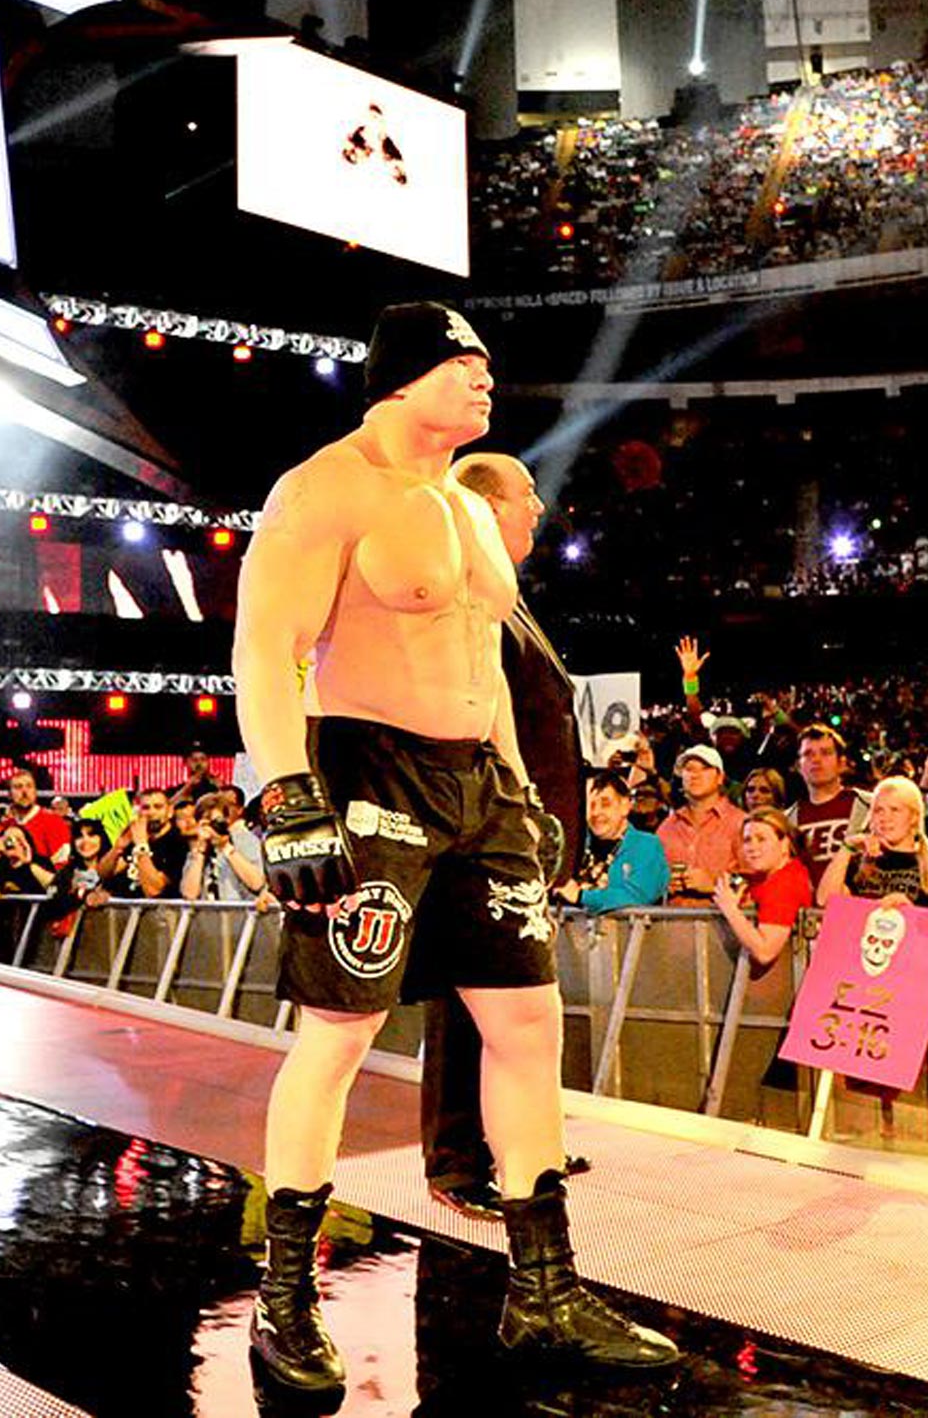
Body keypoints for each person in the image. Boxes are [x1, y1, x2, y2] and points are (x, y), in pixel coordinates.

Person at [233, 301, 677, 1395]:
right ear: (400, 379)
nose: (484, 381)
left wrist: (521, 795)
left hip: (477, 789)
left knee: (527, 1022)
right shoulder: (324, 489)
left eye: (484, 364)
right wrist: (285, 792)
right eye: (462, 364)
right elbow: (264, 645)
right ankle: (285, 1301)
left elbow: (484, 673)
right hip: (367, 771)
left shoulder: (472, 513)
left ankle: (544, 1294)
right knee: (337, 1033)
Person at [421, 452, 590, 1222]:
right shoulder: (470, 599)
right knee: (469, 1006)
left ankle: (522, 1148)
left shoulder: (508, 601)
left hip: (523, 838)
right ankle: (457, 1162)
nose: (537, 510)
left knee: (511, 1009)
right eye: (526, 497)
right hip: (485, 834)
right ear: (486, 507)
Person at [709, 808, 814, 971]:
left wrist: (730, 909)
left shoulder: (784, 883)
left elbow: (765, 952)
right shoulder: (767, 877)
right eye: (747, 840)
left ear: (784, 844)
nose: (752, 847)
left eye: (761, 839)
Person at [815, 776, 928, 910]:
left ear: (914, 817)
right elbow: (824, 902)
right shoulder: (857, 863)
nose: (885, 818)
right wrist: (847, 847)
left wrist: (909, 911)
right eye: (878, 810)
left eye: (895, 810)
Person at [556, 772, 670, 915]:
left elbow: (636, 897)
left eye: (605, 804)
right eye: (590, 805)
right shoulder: (571, 846)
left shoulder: (647, 846)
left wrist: (582, 897)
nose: (596, 812)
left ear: (625, 806)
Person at [657, 744, 744, 908]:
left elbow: (754, 880)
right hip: (673, 926)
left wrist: (713, 884)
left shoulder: (740, 823)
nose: (695, 775)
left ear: (720, 777)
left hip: (723, 927)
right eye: (689, 769)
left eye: (704, 768)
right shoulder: (667, 827)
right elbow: (650, 877)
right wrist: (662, 884)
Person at [787, 725, 870, 870]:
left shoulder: (870, 806)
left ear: (842, 763)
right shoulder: (786, 821)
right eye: (808, 754)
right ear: (798, 767)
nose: (816, 760)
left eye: (825, 753)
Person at [181, 791, 267, 901]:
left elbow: (257, 883)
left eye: (217, 822)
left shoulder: (244, 840)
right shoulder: (197, 851)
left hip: (241, 914)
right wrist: (200, 852)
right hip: (209, 915)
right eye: (207, 824)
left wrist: (226, 847)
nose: (212, 828)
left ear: (227, 820)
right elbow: (189, 895)